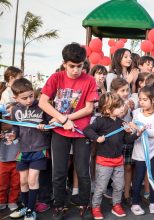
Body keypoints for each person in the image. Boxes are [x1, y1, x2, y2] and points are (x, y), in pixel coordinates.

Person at [38, 43, 98, 219]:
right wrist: (62, 119)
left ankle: (83, 203)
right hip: (60, 131)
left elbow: (88, 109)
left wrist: (67, 119)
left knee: (82, 171)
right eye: (72, 66)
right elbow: (43, 102)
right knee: (59, 172)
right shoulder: (56, 77)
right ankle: (59, 205)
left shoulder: (89, 80)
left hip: (81, 132)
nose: (75, 70)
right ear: (64, 63)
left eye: (79, 66)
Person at [84, 92, 141, 219]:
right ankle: (96, 207)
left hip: (118, 160)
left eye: (121, 105)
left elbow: (127, 139)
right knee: (101, 187)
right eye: (118, 106)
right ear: (108, 109)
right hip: (104, 161)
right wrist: (97, 138)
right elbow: (87, 130)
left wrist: (137, 133)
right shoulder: (100, 121)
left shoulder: (121, 123)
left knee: (119, 186)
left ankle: (116, 205)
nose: (122, 108)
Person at [8, 78, 51, 220]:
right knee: (23, 181)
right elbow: (15, 129)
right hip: (23, 150)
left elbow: (51, 127)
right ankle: (25, 207)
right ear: (15, 98)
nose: (28, 100)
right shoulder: (15, 109)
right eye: (24, 98)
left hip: (39, 149)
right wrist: (12, 136)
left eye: (31, 96)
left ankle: (30, 211)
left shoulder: (42, 106)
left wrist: (44, 129)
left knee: (33, 180)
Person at [131, 85, 154, 216]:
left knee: (152, 178)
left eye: (145, 99)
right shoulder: (136, 113)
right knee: (138, 178)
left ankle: (152, 202)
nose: (141, 102)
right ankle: (135, 203)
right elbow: (133, 130)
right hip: (139, 153)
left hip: (153, 153)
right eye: (140, 99)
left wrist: (140, 128)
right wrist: (132, 128)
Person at [0, 108, 20, 212]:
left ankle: (13, 200)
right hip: (3, 159)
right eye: (7, 111)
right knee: (2, 183)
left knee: (16, 183)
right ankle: (1, 201)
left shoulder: (19, 123)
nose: (9, 114)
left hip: (17, 159)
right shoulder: (1, 122)